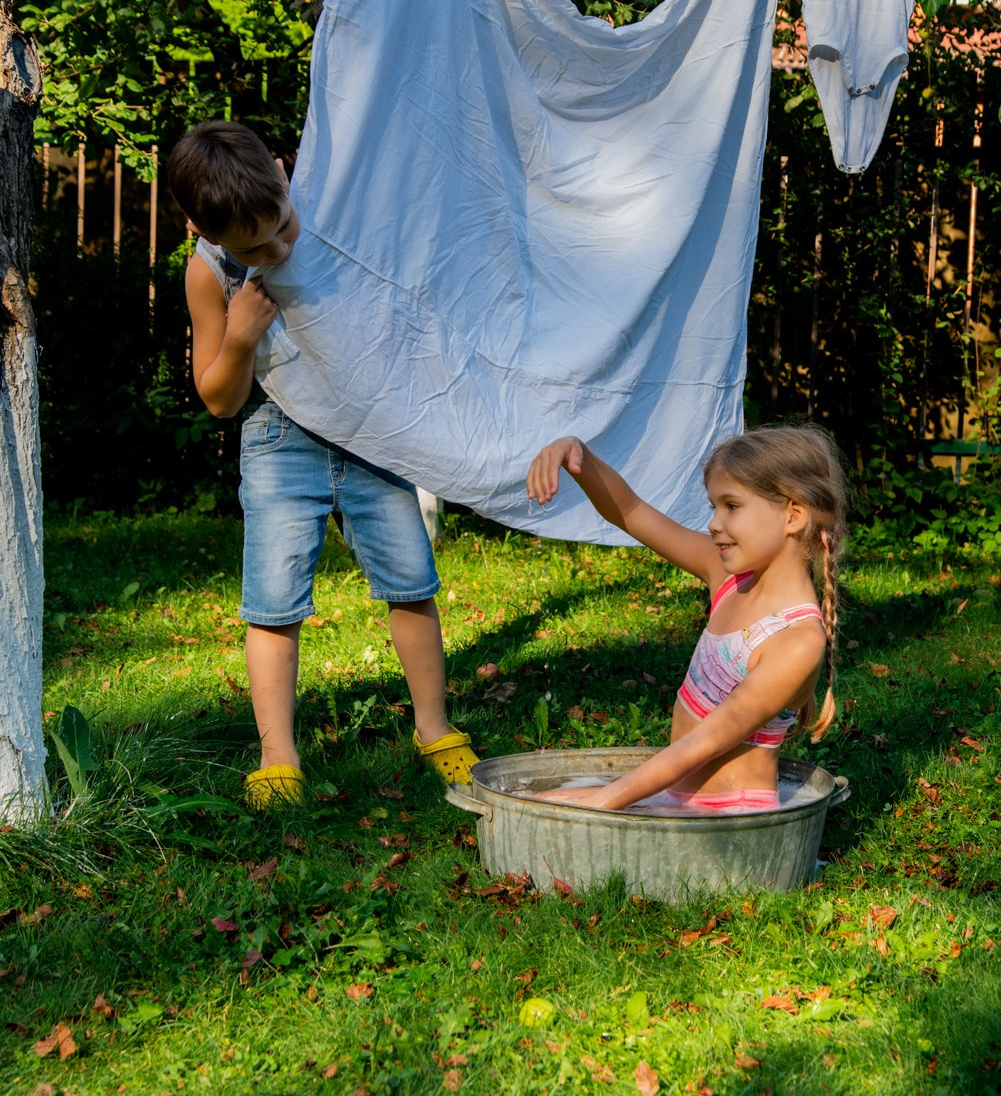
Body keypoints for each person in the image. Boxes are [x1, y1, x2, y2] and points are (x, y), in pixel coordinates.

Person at [167, 120, 478, 809]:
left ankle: (435, 729)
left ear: (284, 173)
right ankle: (278, 756)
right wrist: (242, 337)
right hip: (279, 441)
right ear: (206, 232)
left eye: (282, 226)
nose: (279, 249)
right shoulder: (209, 271)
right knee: (274, 603)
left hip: (369, 432)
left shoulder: (335, 218)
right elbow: (218, 398)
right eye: (257, 247)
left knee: (410, 581)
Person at [524, 425, 846, 812]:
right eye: (714, 506)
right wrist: (577, 455)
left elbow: (702, 744)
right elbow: (631, 512)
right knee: (536, 803)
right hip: (676, 797)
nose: (713, 522)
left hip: (734, 817)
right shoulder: (729, 579)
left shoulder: (797, 641)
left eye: (731, 505)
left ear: (793, 516)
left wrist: (601, 800)